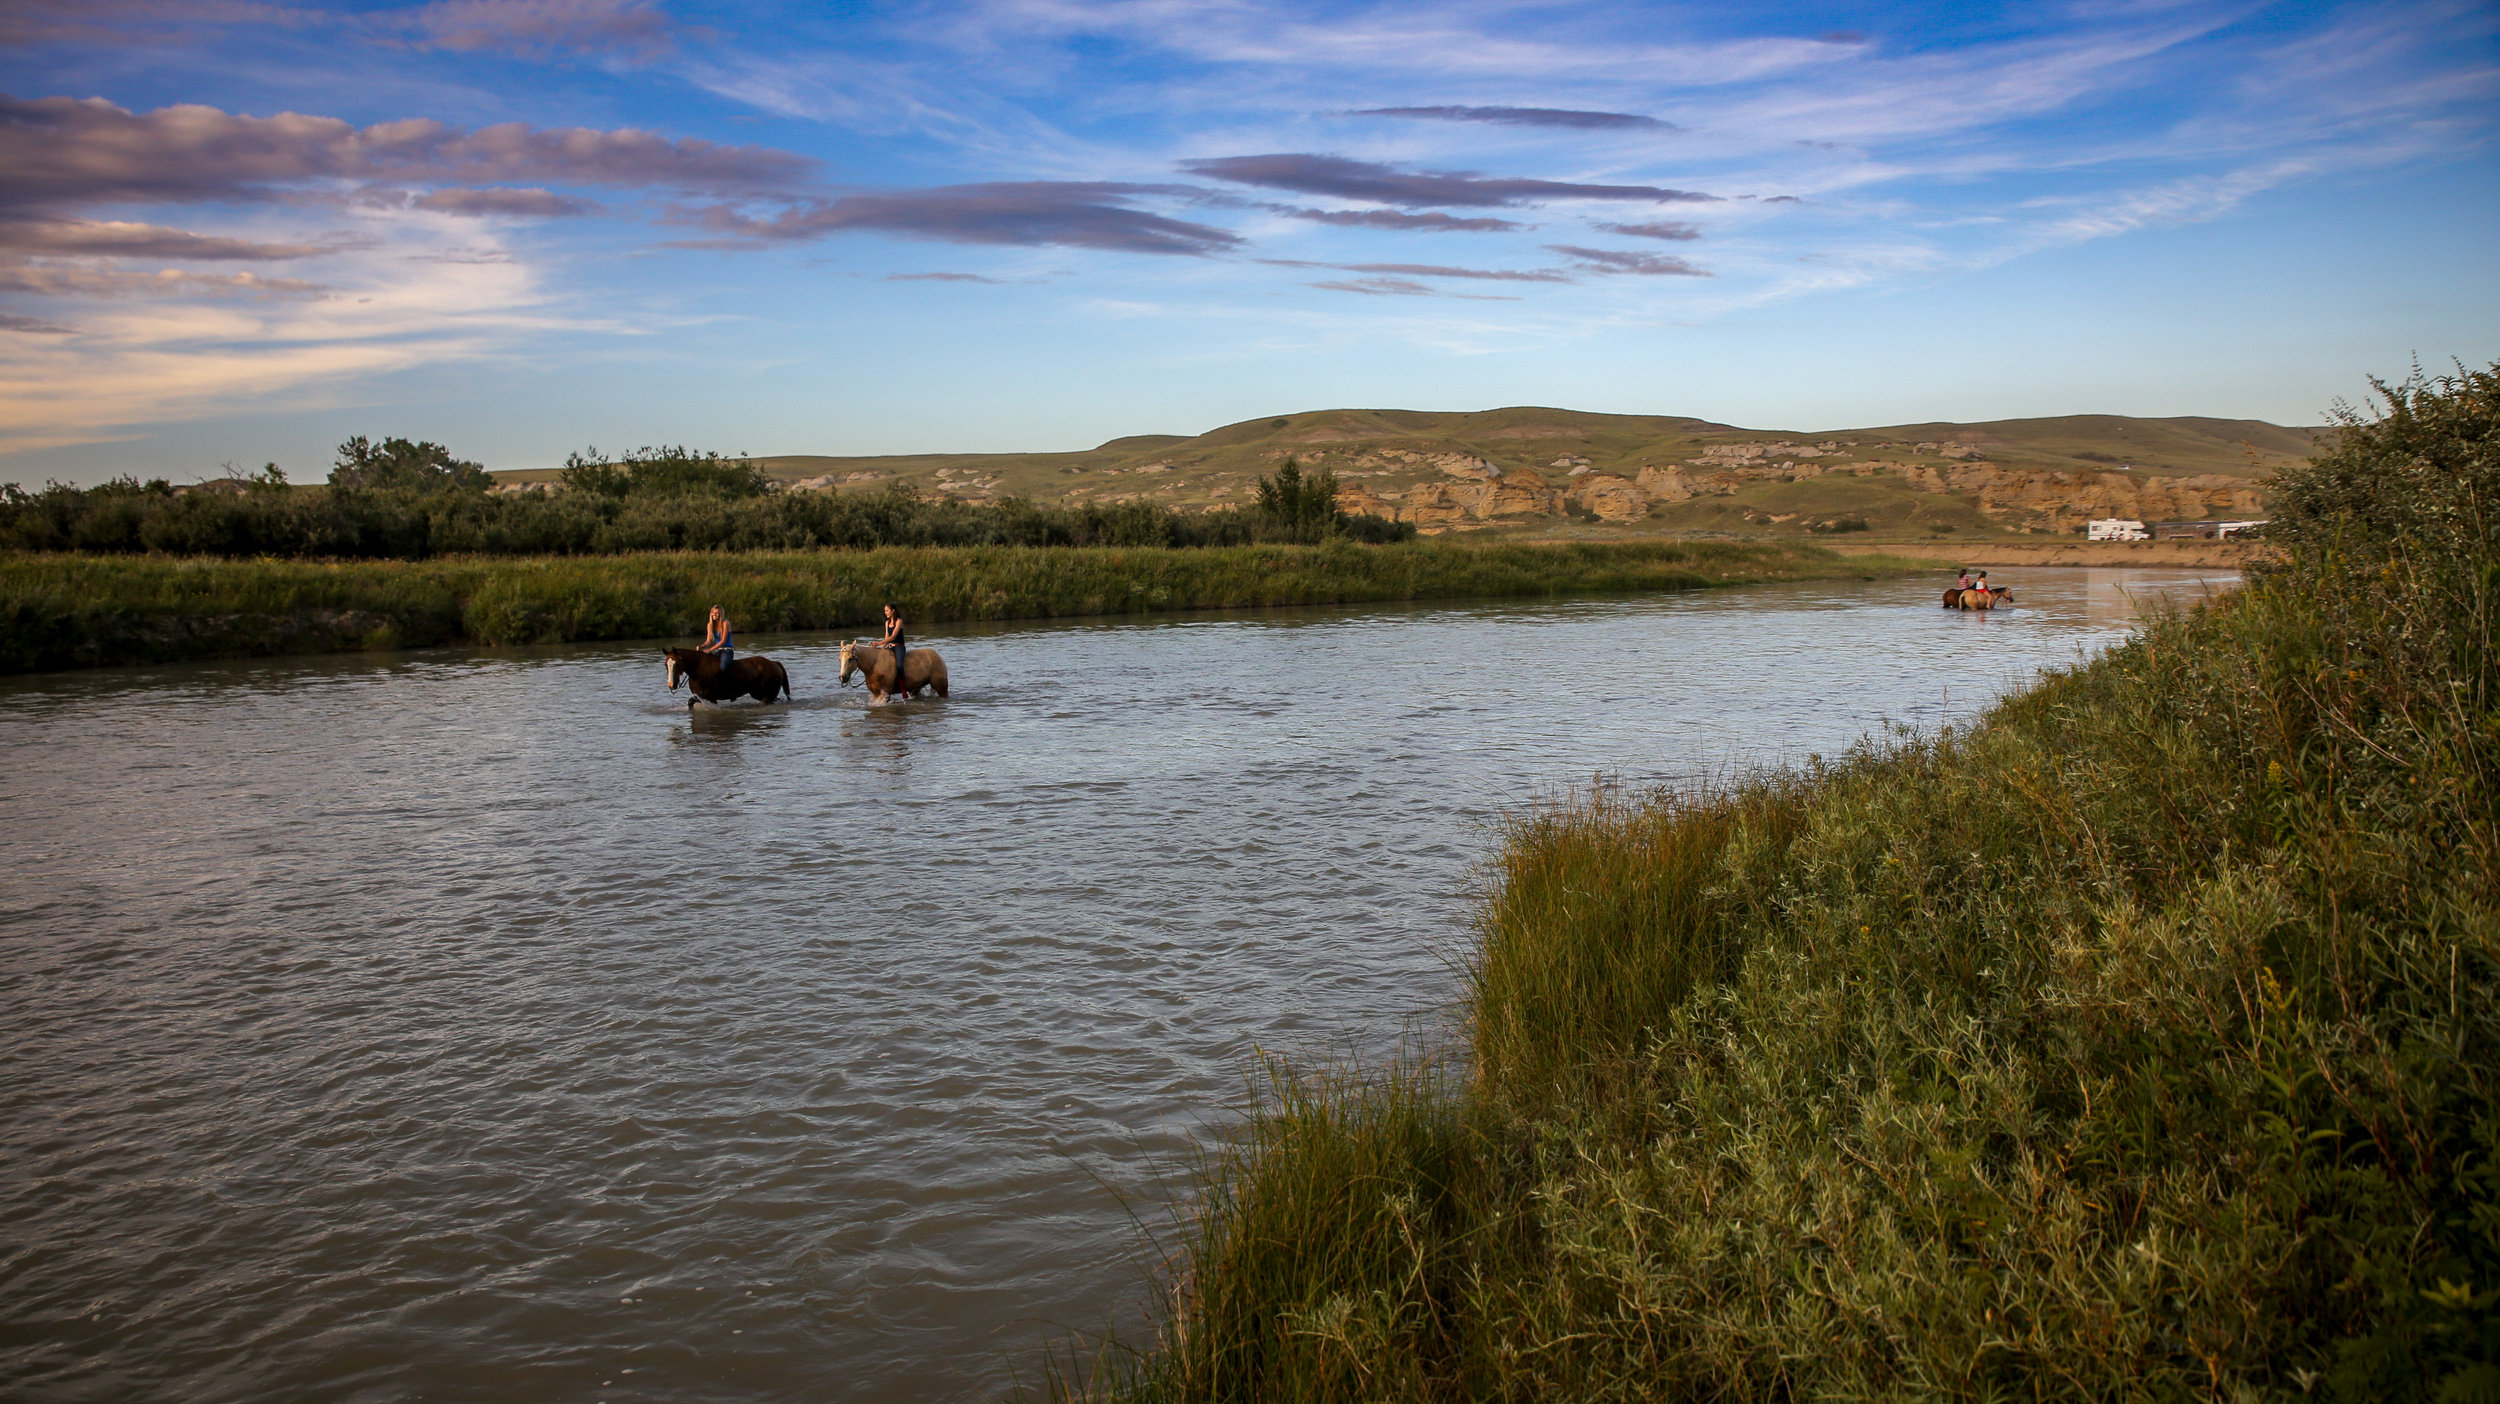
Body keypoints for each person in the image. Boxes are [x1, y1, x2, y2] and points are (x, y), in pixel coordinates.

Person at [877, 602, 907, 695]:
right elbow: (887, 638)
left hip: (899, 648)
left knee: (899, 666)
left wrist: (878, 642)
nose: (885, 613)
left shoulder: (899, 621)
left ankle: (903, 689)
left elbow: (893, 636)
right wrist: (880, 648)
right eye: (885, 611)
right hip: (889, 648)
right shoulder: (887, 623)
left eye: (887, 610)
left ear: (893, 611)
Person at [700, 605, 735, 670]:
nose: (714, 614)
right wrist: (702, 646)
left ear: (720, 614)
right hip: (717, 650)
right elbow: (709, 641)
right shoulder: (709, 625)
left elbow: (723, 641)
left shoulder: (725, 623)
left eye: (717, 613)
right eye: (713, 612)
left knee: (722, 668)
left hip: (727, 650)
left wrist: (710, 649)